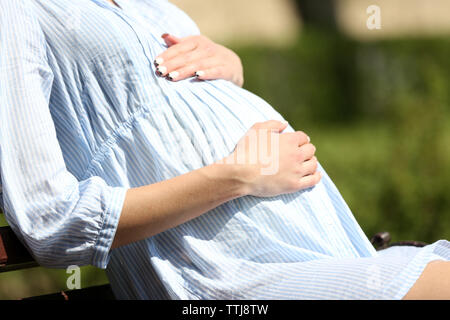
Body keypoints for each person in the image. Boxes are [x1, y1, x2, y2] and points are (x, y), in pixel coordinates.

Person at [0, 0, 449, 300]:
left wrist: (230, 69)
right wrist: (237, 176)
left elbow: (177, 109)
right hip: (215, 278)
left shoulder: (148, 5)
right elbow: (51, 220)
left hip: (322, 247)